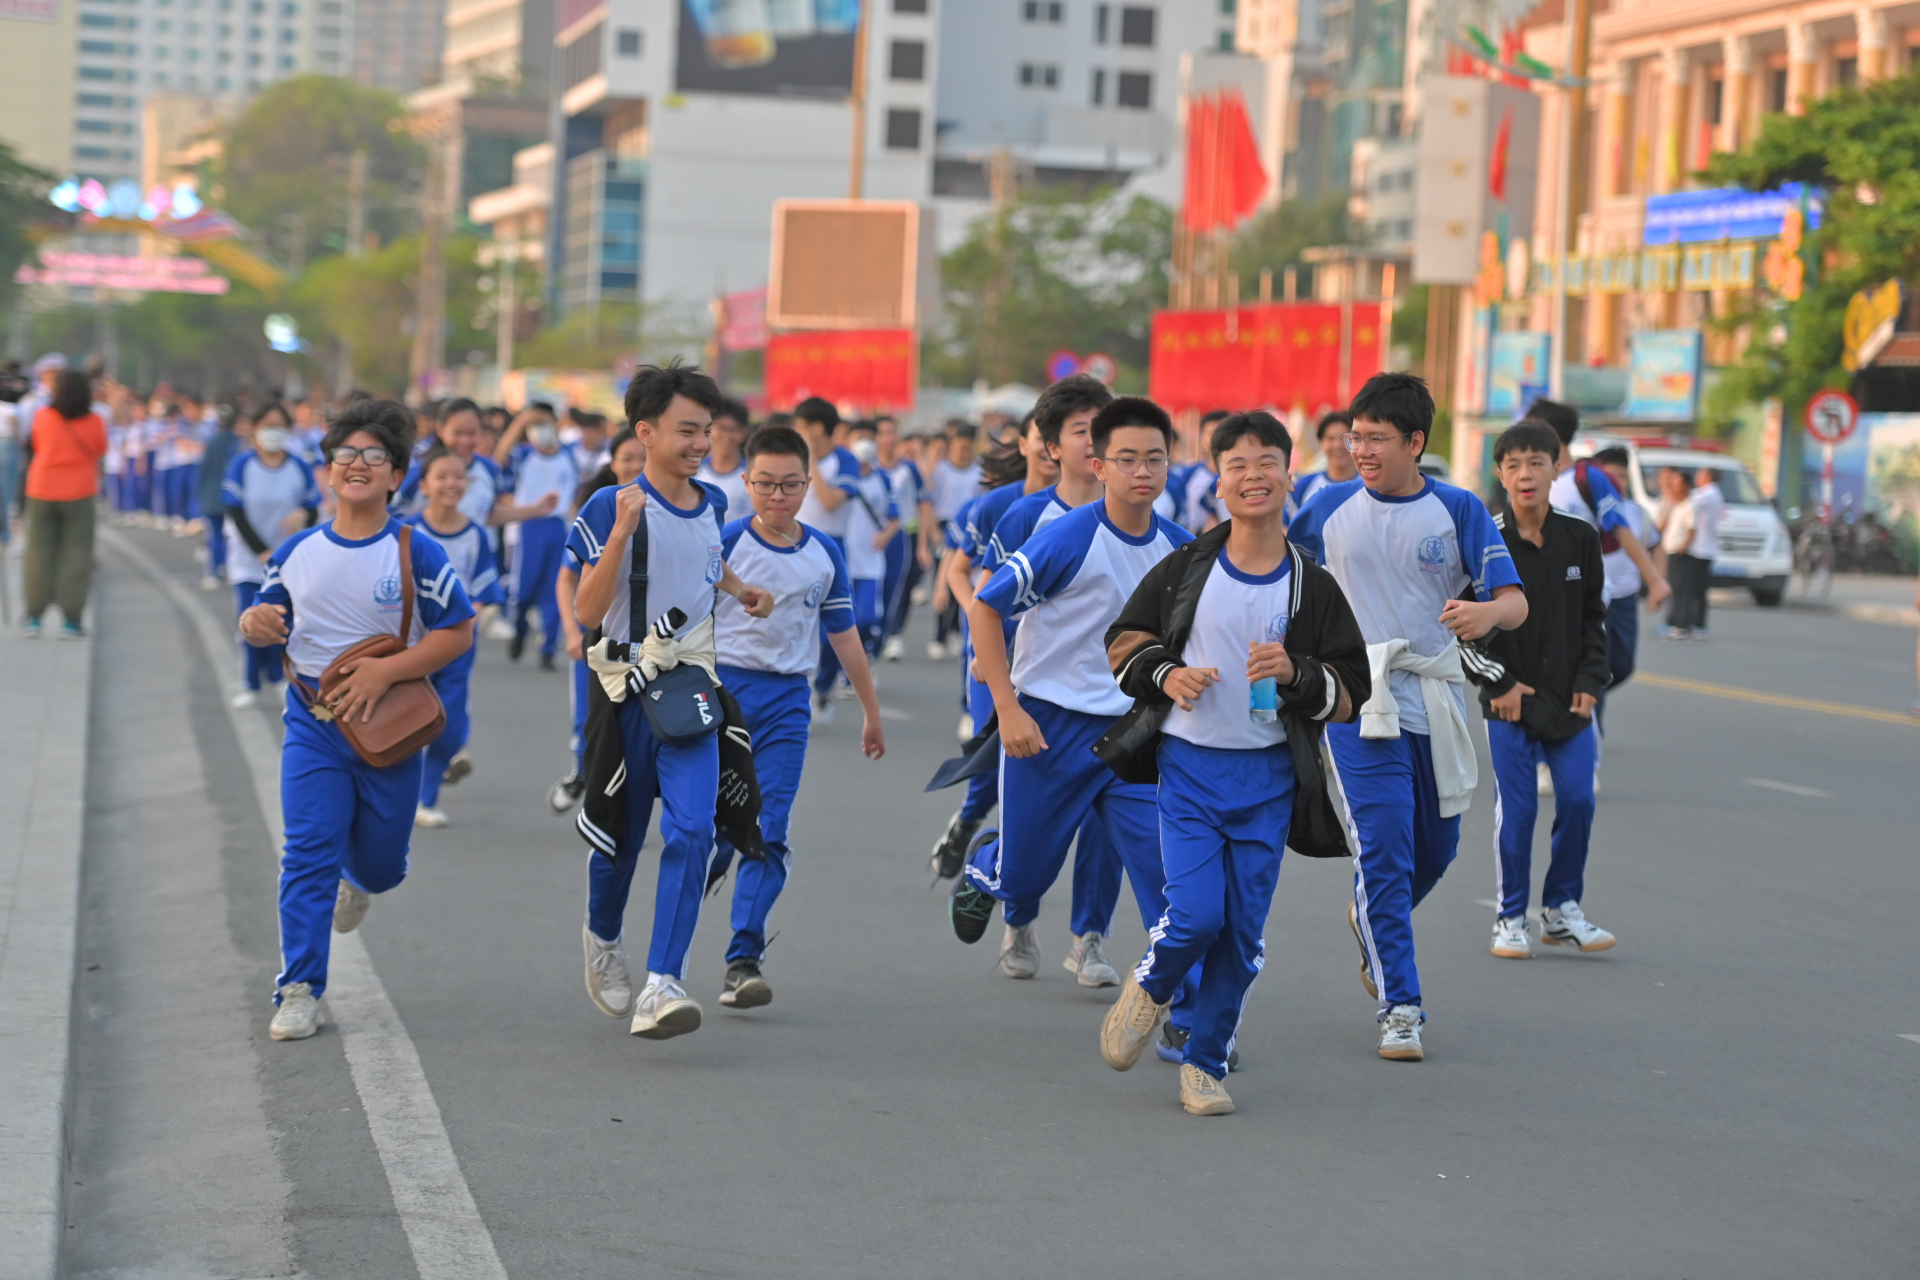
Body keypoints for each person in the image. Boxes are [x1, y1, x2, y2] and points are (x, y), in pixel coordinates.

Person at [1098, 411, 1369, 1116]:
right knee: (1193, 917)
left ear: (1290, 472)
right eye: (1238, 465)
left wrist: (1299, 673)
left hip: (1270, 778)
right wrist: (1166, 677)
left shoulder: (1312, 586)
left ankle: (1205, 1064)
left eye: (1267, 463)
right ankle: (1153, 985)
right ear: (1217, 482)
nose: (1254, 477)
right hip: (1189, 768)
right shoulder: (1189, 567)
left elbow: (1350, 693)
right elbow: (1124, 643)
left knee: (1243, 937)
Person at [1289, 372, 1526, 1062]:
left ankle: (1370, 911)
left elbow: (1512, 601)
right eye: (1354, 438)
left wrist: (1485, 612)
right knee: (1386, 846)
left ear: (1416, 442)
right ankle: (1402, 1007)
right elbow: (1279, 574)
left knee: (1437, 850)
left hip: (1435, 698)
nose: (1360, 450)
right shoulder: (1326, 505)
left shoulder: (1456, 509)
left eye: (1377, 440)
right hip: (1357, 699)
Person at [239, 399, 476, 1041]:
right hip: (314, 724)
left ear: (397, 476)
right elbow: (266, 615)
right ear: (328, 471)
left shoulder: (414, 551)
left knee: (381, 868)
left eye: (375, 456)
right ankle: (298, 988)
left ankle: (357, 880)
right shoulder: (296, 551)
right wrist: (253, 623)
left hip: (387, 731)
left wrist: (386, 671)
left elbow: (458, 630)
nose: (358, 464)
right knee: (307, 849)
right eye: (345, 454)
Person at [951, 398, 1195, 1005]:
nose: (1143, 471)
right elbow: (986, 606)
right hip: (1050, 728)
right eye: (1127, 459)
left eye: (1155, 459)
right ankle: (988, 865)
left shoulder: (1184, 549)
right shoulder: (1067, 536)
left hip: (1134, 735)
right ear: (1100, 464)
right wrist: (1008, 709)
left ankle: (1187, 1017)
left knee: (1168, 883)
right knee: (1025, 877)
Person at [568, 362, 771, 1041]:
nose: (700, 443)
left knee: (693, 830)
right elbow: (587, 610)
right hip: (627, 695)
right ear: (645, 431)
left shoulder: (713, 502)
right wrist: (623, 533)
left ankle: (663, 982)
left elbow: (706, 566)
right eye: (687, 430)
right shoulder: (609, 507)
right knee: (620, 843)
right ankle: (602, 938)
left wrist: (740, 589)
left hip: (691, 692)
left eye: (707, 431)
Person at [706, 425, 885, 1008]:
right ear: (746, 482)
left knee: (770, 830)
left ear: (808, 485)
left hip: (787, 703)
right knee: (704, 829)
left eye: (789, 485)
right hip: (722, 695)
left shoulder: (823, 554)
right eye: (765, 484)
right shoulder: (725, 543)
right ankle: (670, 958)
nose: (778, 496)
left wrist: (871, 712)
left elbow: (844, 636)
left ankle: (743, 958)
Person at [1466, 422, 1616, 960]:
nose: (1525, 474)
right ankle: (1510, 918)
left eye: (1536, 462)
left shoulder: (1580, 538)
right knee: (1520, 809)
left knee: (1578, 799)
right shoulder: (1484, 539)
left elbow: (1595, 620)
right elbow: (1461, 628)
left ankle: (1561, 910)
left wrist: (1590, 680)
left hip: (1570, 702)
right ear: (1500, 474)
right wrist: (1498, 683)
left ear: (1557, 468)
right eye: (1513, 465)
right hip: (1509, 705)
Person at [406, 447, 508, 828]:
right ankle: (402, 797)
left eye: (458, 476)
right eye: (442, 476)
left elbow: (484, 588)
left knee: (448, 727)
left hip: (456, 646)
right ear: (424, 485)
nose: (451, 484)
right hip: (411, 644)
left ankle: (426, 797)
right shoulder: (406, 532)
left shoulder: (475, 535)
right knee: (405, 722)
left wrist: (470, 618)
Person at [549, 429, 648, 814]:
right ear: (613, 464)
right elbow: (566, 578)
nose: (635, 466)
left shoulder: (671, 510)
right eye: (627, 458)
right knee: (589, 720)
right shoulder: (601, 509)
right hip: (598, 639)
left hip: (649, 644)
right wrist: (573, 633)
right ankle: (582, 775)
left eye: (642, 458)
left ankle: (623, 794)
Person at [222, 404, 321, 708]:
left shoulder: (299, 467)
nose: (272, 432)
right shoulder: (242, 466)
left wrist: (303, 513)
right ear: (253, 428)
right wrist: (262, 552)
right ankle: (250, 683)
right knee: (251, 621)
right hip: (249, 561)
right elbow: (236, 512)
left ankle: (280, 679)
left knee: (282, 625)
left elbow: (313, 506)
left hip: (288, 564)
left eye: (279, 425)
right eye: (266, 425)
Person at [810, 420, 898, 711]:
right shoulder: (834, 471)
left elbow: (895, 516)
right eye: (860, 436)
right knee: (830, 632)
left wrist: (885, 535)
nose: (866, 441)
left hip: (871, 563)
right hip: (843, 562)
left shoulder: (883, 479)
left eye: (871, 436)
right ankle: (825, 683)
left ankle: (853, 670)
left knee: (865, 620)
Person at [21, 369, 108, 639]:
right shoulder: (94, 421)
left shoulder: (43, 416)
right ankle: (70, 620)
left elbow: (34, 444)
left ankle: (34, 616)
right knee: (77, 554)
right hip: (79, 491)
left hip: (41, 488)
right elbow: (100, 449)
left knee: (39, 552)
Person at [495, 403, 583, 669]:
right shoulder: (522, 454)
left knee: (554, 588)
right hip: (529, 526)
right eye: (536, 424)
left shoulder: (568, 455)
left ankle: (547, 649)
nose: (542, 429)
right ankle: (520, 629)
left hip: (558, 526)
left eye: (545, 422)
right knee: (523, 591)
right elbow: (496, 461)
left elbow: (576, 486)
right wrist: (520, 423)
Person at [1590, 447, 1660, 739]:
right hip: (1592, 599)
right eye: (1611, 475)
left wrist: (1656, 583)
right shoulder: (1584, 508)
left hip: (1624, 600)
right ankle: (1592, 729)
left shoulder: (1636, 513)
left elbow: (1657, 545)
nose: (1617, 481)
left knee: (1623, 665)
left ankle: (1588, 697)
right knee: (1598, 665)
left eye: (1622, 475)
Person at [876, 415, 932, 661]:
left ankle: (894, 634)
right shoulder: (867, 469)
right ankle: (876, 632)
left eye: (893, 432)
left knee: (900, 587)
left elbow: (924, 503)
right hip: (873, 538)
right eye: (884, 433)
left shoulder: (908, 469)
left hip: (904, 535)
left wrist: (923, 545)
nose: (889, 438)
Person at [928, 421, 982, 659]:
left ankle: (954, 630)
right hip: (945, 526)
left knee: (963, 581)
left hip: (971, 528)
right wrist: (933, 533)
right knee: (943, 580)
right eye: (959, 447)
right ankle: (939, 634)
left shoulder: (979, 471)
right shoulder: (942, 470)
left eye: (967, 447)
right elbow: (929, 502)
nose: (963, 452)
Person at [1655, 467, 1703, 639]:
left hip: (1682, 555)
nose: (1674, 487)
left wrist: (1682, 549)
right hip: (1673, 553)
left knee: (1683, 591)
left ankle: (1683, 625)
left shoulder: (1690, 506)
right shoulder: (1678, 505)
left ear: (1686, 486)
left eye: (1677, 484)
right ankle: (1674, 622)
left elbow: (1692, 530)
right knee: (1674, 589)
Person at [1289, 410, 1357, 514]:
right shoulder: (1305, 485)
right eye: (1331, 438)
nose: (1337, 445)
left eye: (1345, 439)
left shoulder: (1369, 485)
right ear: (1321, 443)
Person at [1686, 465, 1726, 640]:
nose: (1697, 477)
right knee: (1695, 589)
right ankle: (1694, 623)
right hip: (1702, 547)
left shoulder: (1709, 494)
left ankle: (1699, 625)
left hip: (1702, 548)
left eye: (1701, 474)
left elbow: (1689, 501)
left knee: (1698, 590)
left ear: (1708, 477)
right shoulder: (1707, 493)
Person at [696, 397, 752, 514]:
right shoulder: (693, 472)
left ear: (744, 433)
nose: (727, 436)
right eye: (721, 428)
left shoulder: (753, 475)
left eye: (734, 429)